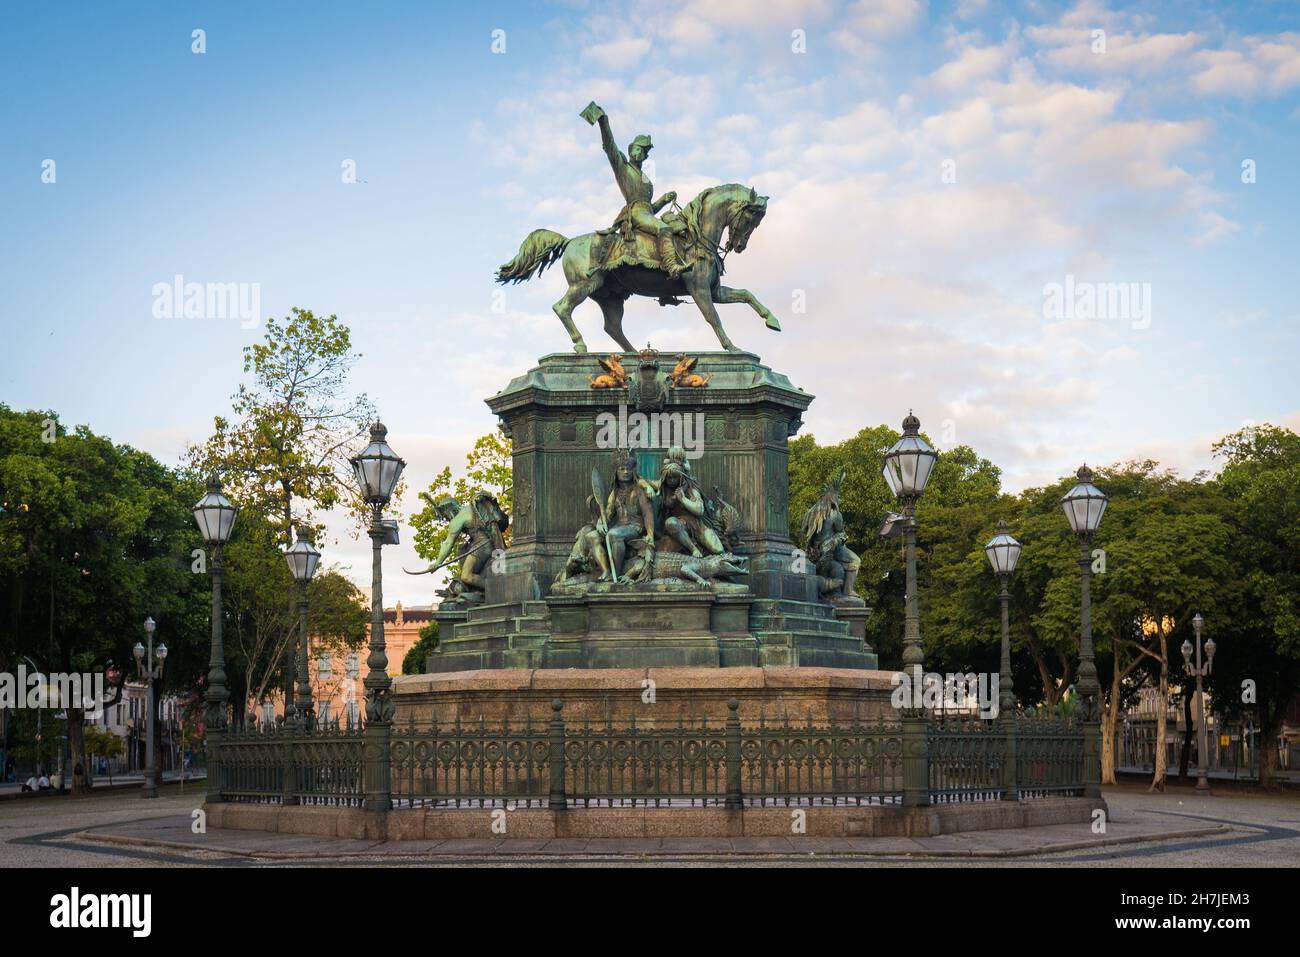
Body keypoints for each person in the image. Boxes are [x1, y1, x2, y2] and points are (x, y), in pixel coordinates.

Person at [585, 102, 686, 277]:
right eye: (639, 149)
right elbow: (610, 146)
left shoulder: (646, 180)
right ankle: (672, 267)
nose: (641, 154)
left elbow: (650, 209)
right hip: (636, 214)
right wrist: (603, 122)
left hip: (646, 213)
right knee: (664, 229)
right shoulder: (623, 167)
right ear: (631, 149)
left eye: (645, 152)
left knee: (677, 230)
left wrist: (664, 199)